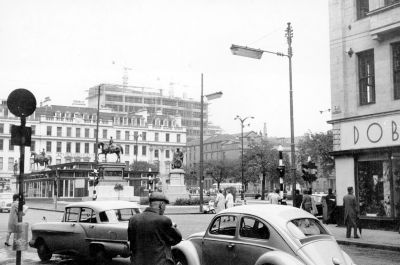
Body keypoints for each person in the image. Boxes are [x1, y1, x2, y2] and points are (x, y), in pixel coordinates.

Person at [128, 192, 182, 265]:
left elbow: (131, 242)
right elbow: (177, 238)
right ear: (161, 205)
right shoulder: (163, 220)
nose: (165, 208)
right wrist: (173, 226)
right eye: (165, 205)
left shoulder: (133, 219)